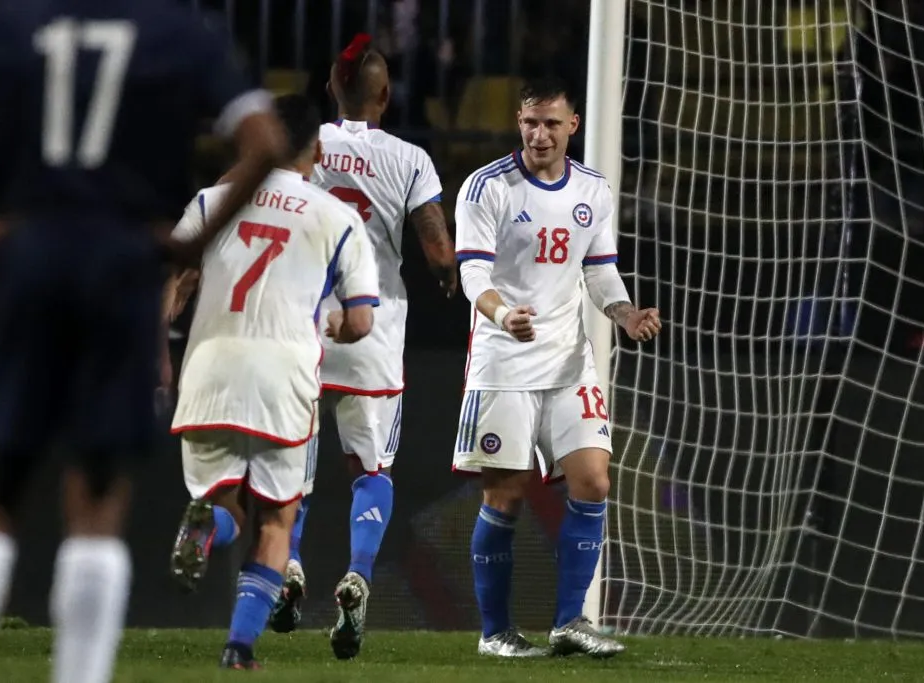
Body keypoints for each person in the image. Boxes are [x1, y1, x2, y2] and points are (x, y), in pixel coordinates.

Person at [0, 2, 286, 682]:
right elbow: (265, 141)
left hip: (28, 253)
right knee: (96, 498)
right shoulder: (178, 31)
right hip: (121, 262)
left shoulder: (4, 24)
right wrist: (189, 242)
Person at [167, 94, 379, 671]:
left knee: (226, 506)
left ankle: (204, 525)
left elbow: (174, 281)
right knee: (276, 520)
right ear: (317, 147)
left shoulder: (214, 201)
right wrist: (336, 322)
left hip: (208, 369)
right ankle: (239, 649)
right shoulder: (337, 217)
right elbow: (361, 321)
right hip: (283, 378)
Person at [452, 77, 661, 658]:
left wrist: (623, 313)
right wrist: (501, 314)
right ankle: (495, 633)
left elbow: (599, 269)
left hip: (570, 363)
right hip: (504, 363)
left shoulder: (593, 189)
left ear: (573, 126)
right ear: (518, 123)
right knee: (506, 496)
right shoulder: (486, 187)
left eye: (550, 123)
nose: (538, 134)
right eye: (528, 122)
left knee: (594, 480)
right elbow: (472, 273)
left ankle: (571, 622)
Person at [269, 32, 456, 661]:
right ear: (386, 93)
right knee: (369, 469)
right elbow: (436, 250)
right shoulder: (410, 158)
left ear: (332, 87)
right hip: (375, 320)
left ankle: (288, 564)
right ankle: (358, 574)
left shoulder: (308, 144)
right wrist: (451, 275)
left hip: (305, 317)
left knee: (294, 458)